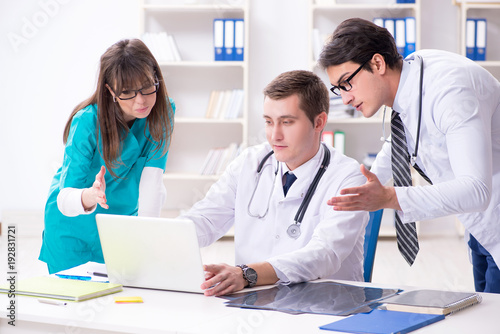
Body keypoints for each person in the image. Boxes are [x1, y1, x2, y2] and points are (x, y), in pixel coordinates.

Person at [319, 18, 500, 293]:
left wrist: (390, 197)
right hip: (480, 225)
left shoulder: (450, 91)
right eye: (338, 89)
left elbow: (477, 190)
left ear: (377, 64)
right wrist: (347, 193)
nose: (344, 99)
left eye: (347, 84)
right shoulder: (412, 77)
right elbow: (399, 143)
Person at [179, 70, 369, 297]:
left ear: (319, 122)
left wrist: (246, 274)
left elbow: (324, 254)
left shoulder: (348, 177)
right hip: (254, 300)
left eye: (287, 122)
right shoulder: (249, 163)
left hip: (324, 307)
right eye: (269, 122)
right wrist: (164, 239)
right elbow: (206, 218)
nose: (274, 136)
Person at [39, 39, 175, 274]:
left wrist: (148, 240)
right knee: (72, 303)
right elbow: (64, 199)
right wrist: (91, 196)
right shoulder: (87, 122)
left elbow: (152, 182)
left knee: (122, 298)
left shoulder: (163, 111)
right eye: (127, 93)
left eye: (146, 87)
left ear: (157, 79)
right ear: (110, 90)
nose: (141, 100)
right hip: (73, 228)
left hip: (121, 223)